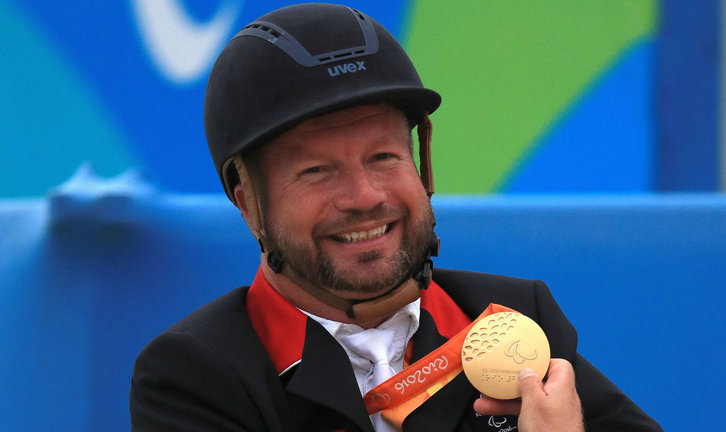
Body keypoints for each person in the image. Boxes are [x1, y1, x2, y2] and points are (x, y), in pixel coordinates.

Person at [130, 3, 663, 431]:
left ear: (420, 162)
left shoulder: (513, 320)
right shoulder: (196, 375)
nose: (364, 196)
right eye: (317, 170)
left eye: (384, 156)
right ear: (248, 202)